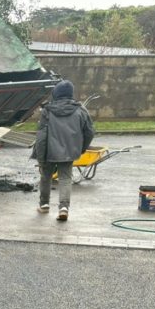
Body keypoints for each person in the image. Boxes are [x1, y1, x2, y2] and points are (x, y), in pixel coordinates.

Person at [31, 80, 95, 222]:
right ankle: (63, 208)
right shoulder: (81, 110)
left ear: (56, 93)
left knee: (45, 177)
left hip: (48, 151)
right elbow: (89, 132)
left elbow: (41, 136)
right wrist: (80, 148)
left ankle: (44, 205)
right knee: (66, 178)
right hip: (69, 151)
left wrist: (40, 156)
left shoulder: (48, 110)